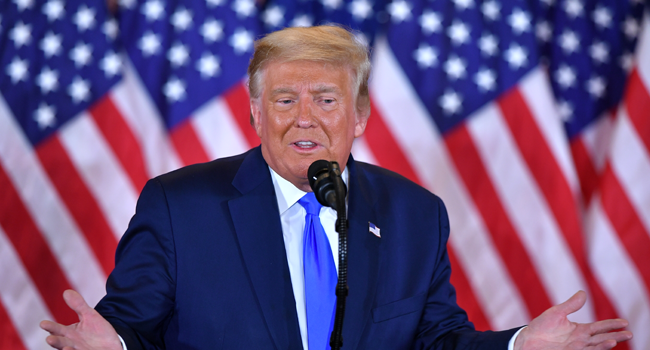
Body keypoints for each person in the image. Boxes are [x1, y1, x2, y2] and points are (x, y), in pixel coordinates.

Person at [40, 25, 632, 350]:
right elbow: (133, 328)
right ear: (254, 112)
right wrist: (112, 347)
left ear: (360, 117)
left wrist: (518, 347)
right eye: (284, 99)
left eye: (326, 100)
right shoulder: (179, 205)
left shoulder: (413, 214)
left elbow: (437, 342)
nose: (305, 118)